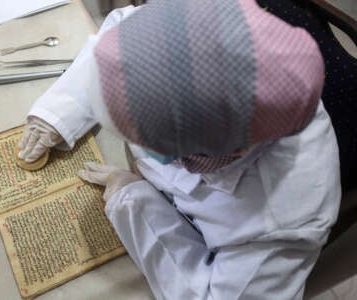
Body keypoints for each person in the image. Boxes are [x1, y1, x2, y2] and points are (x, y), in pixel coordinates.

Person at [18, 1, 341, 299]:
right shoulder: (197, 22)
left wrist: (135, 203)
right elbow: (122, 31)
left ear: (195, 154)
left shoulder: (280, 224)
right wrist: (58, 114)